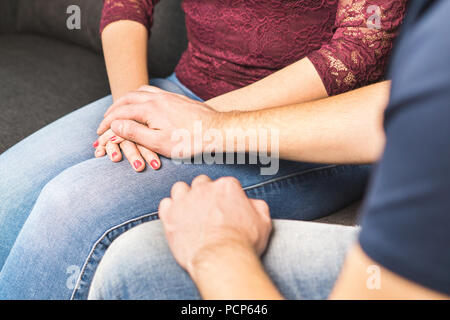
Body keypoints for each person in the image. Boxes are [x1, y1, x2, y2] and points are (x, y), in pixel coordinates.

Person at [0, 0, 406, 299]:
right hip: (178, 94)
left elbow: (360, 49)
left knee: (70, 209)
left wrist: (201, 121)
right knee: (6, 186)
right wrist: (134, 109)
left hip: (310, 130)